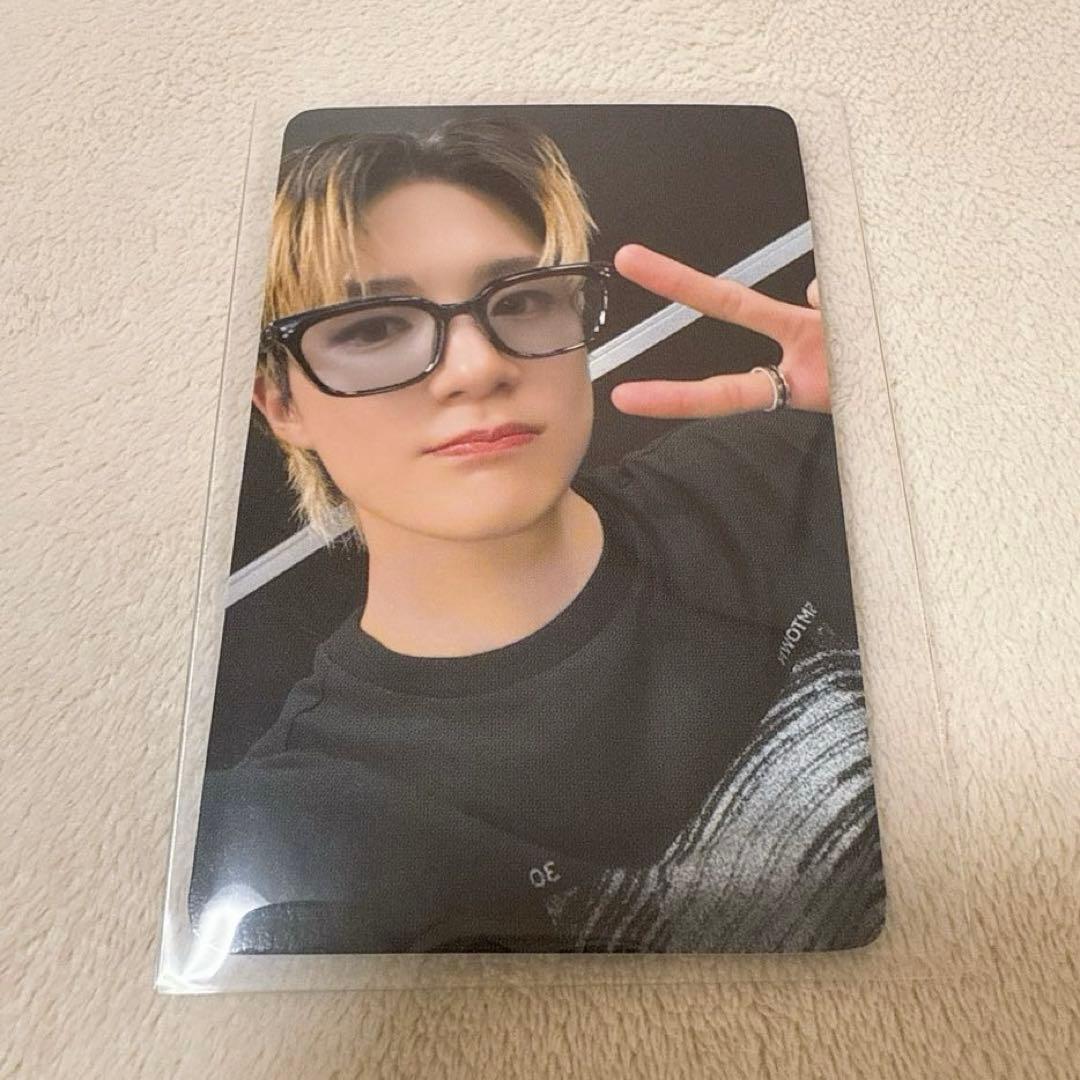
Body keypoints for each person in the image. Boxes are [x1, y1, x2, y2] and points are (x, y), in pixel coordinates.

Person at [189, 118, 884, 956]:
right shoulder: (291, 830)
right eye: (372, 327)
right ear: (282, 402)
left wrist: (915, 416)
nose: (478, 366)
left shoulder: (782, 471)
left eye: (520, 300)